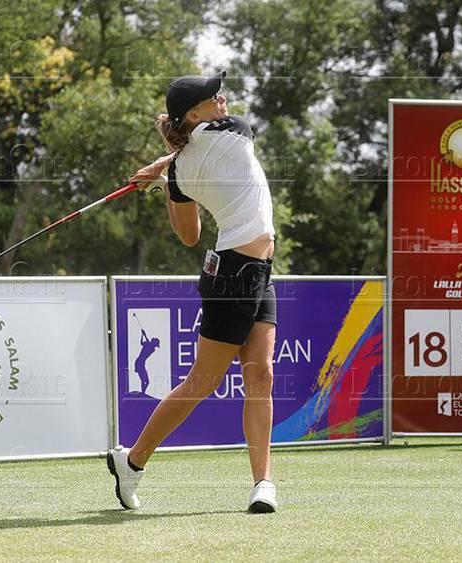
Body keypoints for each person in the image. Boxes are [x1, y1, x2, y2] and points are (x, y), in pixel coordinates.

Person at [106, 71, 279, 513]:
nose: (223, 99)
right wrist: (168, 182)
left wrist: (165, 170)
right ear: (195, 113)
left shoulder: (228, 132)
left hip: (261, 269)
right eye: (212, 97)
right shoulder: (187, 167)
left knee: (261, 375)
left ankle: (263, 484)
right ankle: (133, 461)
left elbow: (190, 202)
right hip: (231, 273)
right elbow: (190, 234)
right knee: (202, 382)